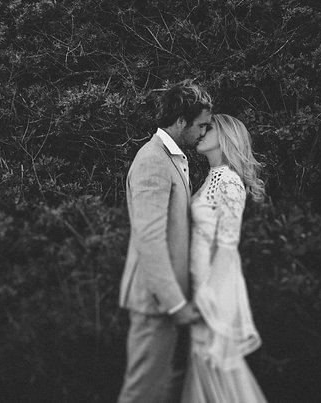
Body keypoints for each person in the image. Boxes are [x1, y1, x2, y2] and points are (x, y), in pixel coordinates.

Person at [117, 81, 213, 403]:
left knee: (158, 392)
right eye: (201, 125)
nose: (204, 132)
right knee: (142, 393)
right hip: (154, 302)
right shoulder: (152, 161)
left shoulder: (172, 157)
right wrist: (175, 303)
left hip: (165, 302)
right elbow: (150, 240)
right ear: (181, 121)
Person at [183, 114, 268, 403]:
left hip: (212, 295)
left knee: (218, 381)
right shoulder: (210, 178)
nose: (201, 131)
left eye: (209, 128)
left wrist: (206, 297)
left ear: (226, 136)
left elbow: (227, 246)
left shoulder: (229, 181)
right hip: (198, 287)